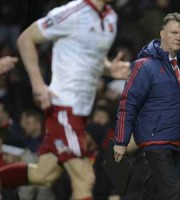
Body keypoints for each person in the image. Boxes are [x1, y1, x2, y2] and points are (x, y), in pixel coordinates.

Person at [0, 0, 130, 200]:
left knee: (43, 175)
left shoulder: (111, 17)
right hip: (63, 106)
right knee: (84, 179)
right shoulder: (73, 12)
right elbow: (26, 39)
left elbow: (91, 57)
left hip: (81, 110)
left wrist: (109, 68)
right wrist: (37, 84)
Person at [113, 12, 180, 200]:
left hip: (178, 139)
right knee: (173, 191)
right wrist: (121, 141)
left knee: (154, 192)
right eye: (173, 32)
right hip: (156, 140)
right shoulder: (145, 66)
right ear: (162, 34)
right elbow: (128, 102)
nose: (178, 37)